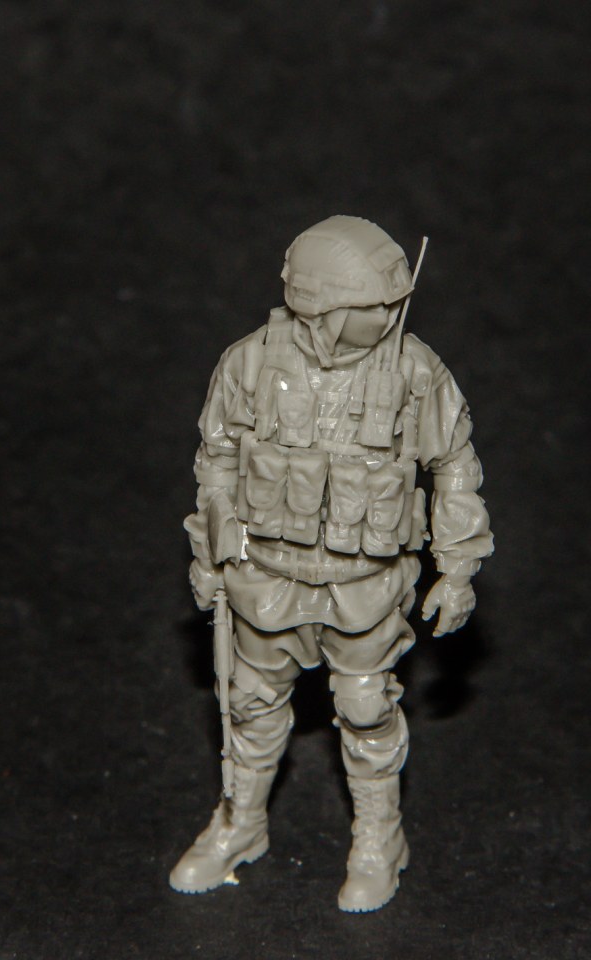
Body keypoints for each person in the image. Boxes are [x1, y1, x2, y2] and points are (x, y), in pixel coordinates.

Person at [169, 215, 493, 912]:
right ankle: (241, 821)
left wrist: (459, 566)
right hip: (266, 581)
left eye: (395, 302)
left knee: (367, 710)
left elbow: (454, 465)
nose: (391, 314)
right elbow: (216, 461)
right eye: (374, 304)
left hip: (365, 586)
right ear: (321, 308)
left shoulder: (414, 370)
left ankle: (379, 838)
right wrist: (210, 555)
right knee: (250, 706)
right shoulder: (250, 363)